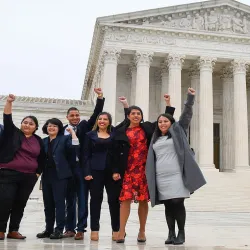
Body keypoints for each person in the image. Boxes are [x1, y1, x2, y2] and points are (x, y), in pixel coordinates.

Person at [146, 88, 206, 245]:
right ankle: (171, 233)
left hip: (177, 176)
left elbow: (186, 115)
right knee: (167, 205)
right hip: (161, 176)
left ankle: (181, 232)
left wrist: (190, 98)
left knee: (177, 203)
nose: (162, 124)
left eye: (165, 121)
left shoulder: (178, 132)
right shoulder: (155, 139)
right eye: (160, 122)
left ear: (171, 123)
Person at [112, 95, 175, 243]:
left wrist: (168, 104)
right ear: (128, 116)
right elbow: (114, 152)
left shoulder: (146, 127)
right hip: (127, 170)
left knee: (142, 201)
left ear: (141, 116)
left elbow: (165, 120)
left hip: (143, 169)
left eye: (138, 113)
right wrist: (115, 170)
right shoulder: (121, 130)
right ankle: (121, 231)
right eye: (133, 113)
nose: (136, 116)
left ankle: (142, 231)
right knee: (125, 200)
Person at [83, 97, 129, 242]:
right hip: (95, 172)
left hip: (112, 173)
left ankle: (116, 229)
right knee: (95, 200)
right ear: (97, 121)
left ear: (109, 122)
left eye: (105, 119)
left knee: (113, 201)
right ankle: (94, 230)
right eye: (100, 119)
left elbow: (116, 154)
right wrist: (87, 172)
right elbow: (85, 155)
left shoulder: (114, 134)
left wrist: (125, 106)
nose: (102, 121)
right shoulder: (89, 135)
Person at [0, 94, 45, 240]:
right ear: (21, 124)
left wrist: (37, 173)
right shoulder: (12, 133)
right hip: (9, 174)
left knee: (20, 204)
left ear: (36, 127)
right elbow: (7, 117)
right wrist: (9, 102)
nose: (27, 125)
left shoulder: (38, 141)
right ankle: (0, 230)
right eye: (25, 122)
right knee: (5, 201)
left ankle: (13, 230)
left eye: (31, 123)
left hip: (29, 177)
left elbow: (42, 158)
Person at [64, 88, 105, 240]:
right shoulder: (63, 131)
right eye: (72, 115)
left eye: (77, 115)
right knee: (69, 200)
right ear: (67, 117)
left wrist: (99, 98)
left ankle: (80, 228)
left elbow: (96, 115)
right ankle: (69, 228)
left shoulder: (83, 127)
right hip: (68, 170)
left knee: (82, 199)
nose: (75, 117)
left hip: (81, 169)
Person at [36, 118, 79, 239]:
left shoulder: (65, 139)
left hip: (61, 176)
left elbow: (75, 148)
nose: (51, 128)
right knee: (48, 204)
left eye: (55, 126)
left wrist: (73, 134)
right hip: (47, 176)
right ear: (46, 127)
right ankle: (48, 229)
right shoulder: (43, 141)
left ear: (59, 128)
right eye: (49, 126)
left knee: (59, 203)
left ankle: (59, 229)